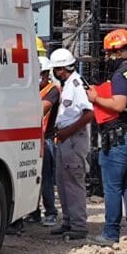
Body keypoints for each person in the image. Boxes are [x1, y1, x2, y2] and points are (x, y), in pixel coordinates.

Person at [85, 28, 127, 246]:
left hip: (122, 137)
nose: (107, 58)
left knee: (112, 186)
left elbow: (119, 105)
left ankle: (110, 234)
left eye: (109, 54)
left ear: (116, 52)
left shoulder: (121, 75)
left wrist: (95, 97)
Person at [48, 48, 94, 240]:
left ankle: (78, 225)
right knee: (62, 181)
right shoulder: (67, 84)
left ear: (61, 69)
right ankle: (68, 221)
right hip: (65, 138)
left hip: (73, 139)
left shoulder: (76, 84)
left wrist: (68, 131)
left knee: (74, 182)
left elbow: (89, 113)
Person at [25, 56, 60, 227]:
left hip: (46, 140)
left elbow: (40, 109)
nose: (40, 78)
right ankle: (33, 212)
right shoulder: (32, 91)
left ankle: (51, 212)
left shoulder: (52, 90)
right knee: (33, 178)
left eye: (42, 74)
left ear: (47, 74)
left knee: (45, 177)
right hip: (33, 138)